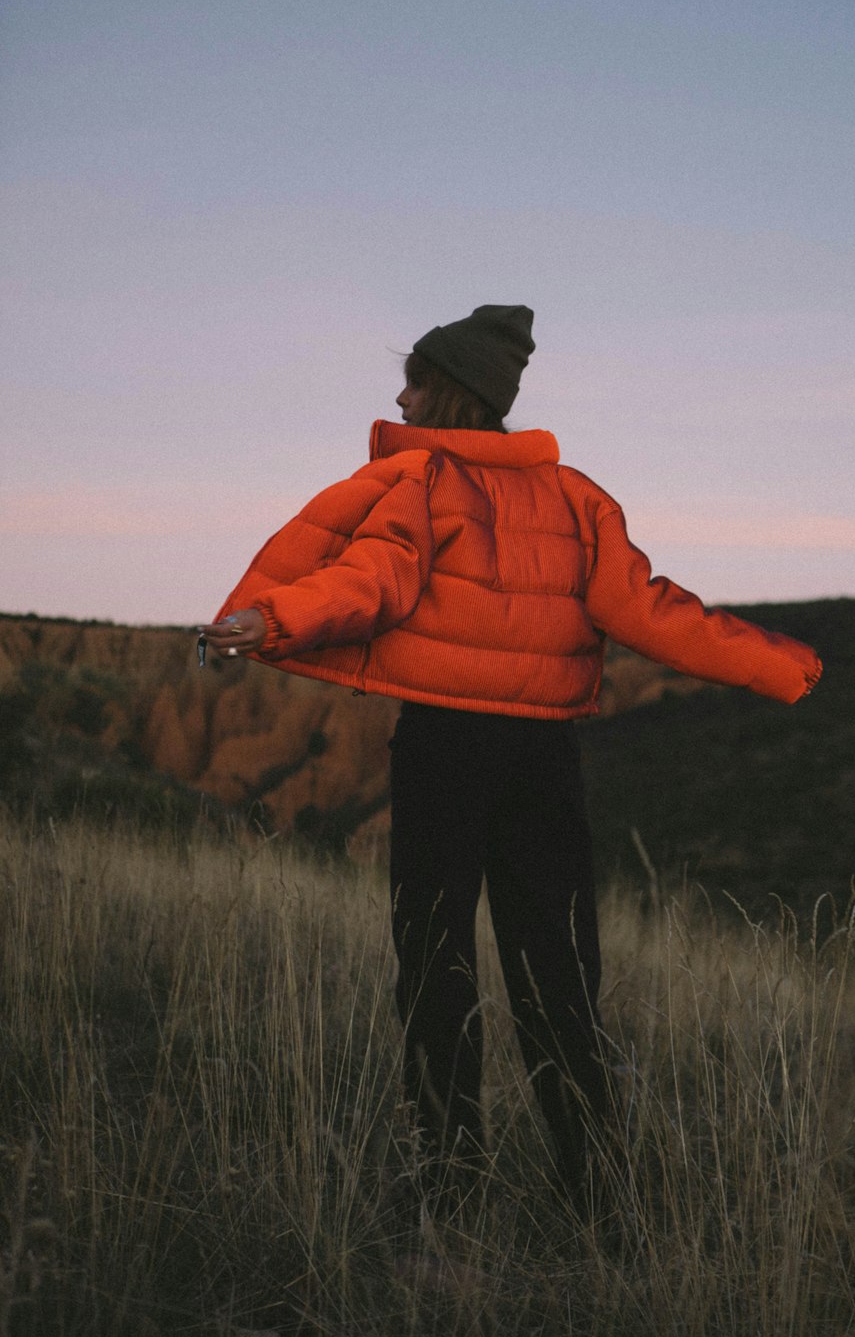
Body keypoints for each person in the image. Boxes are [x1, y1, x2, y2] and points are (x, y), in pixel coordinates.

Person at [198, 303, 821, 1220]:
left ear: (449, 389)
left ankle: (450, 1189)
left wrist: (274, 619)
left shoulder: (422, 481)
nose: (399, 395)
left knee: (433, 963)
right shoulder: (577, 497)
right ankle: (600, 1196)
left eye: (413, 378)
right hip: (543, 753)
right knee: (559, 972)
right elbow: (652, 612)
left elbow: (376, 578)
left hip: (447, 744)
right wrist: (785, 669)